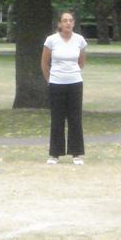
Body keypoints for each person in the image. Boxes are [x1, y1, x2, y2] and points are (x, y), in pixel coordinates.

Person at [41, 11, 88, 165]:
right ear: (59, 24)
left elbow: (81, 62)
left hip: (75, 83)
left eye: (70, 20)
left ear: (73, 23)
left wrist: (72, 74)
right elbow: (44, 63)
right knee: (57, 118)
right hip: (56, 84)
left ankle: (76, 153)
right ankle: (54, 154)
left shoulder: (79, 40)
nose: (67, 23)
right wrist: (50, 80)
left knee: (75, 118)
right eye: (64, 20)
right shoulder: (51, 40)